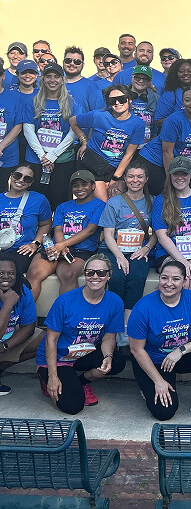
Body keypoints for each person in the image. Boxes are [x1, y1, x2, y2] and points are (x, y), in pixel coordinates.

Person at [128, 258, 191, 421]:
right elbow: (136, 349)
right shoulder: (143, 307)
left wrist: (181, 350)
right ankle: (148, 388)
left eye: (176, 279)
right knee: (164, 413)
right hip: (153, 361)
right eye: (164, 278)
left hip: (179, 357)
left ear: (185, 282)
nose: (168, 283)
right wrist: (158, 381)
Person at [35, 253, 126, 413]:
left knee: (117, 362)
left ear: (109, 276)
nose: (95, 277)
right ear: (85, 274)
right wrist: (52, 377)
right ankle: (46, 378)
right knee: (73, 406)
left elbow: (109, 337)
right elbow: (51, 340)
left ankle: (81, 381)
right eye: (90, 272)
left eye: (101, 273)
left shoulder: (115, 301)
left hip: (83, 353)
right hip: (58, 357)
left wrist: (107, 358)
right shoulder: (65, 301)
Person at [26, 170, 105, 301]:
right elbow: (57, 229)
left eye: (84, 184)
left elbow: (90, 230)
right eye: (75, 185)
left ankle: (67, 318)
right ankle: (25, 318)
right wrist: (60, 247)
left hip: (82, 250)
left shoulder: (100, 205)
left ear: (93, 186)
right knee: (34, 273)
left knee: (68, 274)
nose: (79, 188)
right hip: (57, 247)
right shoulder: (63, 206)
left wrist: (62, 245)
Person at [100, 160, 155, 346]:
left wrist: (146, 248)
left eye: (140, 176)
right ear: (125, 179)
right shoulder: (114, 203)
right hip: (115, 250)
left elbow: (158, 233)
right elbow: (108, 234)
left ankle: (126, 327)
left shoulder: (153, 202)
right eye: (131, 176)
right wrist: (119, 256)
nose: (135, 180)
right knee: (115, 278)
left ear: (146, 179)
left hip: (140, 251)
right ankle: (114, 326)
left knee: (136, 277)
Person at [151, 156, 191, 296]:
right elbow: (162, 236)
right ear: (170, 175)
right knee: (181, 280)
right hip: (169, 253)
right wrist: (181, 260)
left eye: (184, 174)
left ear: (190, 175)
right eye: (176, 174)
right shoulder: (161, 200)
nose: (180, 178)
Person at [71, 84, 146, 202]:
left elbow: (129, 154)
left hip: (117, 168)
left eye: (121, 99)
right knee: (104, 203)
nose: (117, 103)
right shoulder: (99, 115)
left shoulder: (138, 124)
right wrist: (84, 141)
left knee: (115, 202)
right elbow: (73, 121)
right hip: (94, 164)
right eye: (112, 100)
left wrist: (115, 179)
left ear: (129, 99)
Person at [22, 62, 78, 210]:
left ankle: (56, 232)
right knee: (36, 199)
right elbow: (28, 130)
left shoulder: (71, 103)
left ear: (62, 79)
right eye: (48, 76)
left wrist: (53, 155)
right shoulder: (33, 101)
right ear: (42, 79)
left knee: (59, 199)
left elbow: (74, 132)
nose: (52, 80)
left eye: (56, 76)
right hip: (36, 159)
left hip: (62, 160)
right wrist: (43, 156)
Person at [139, 86, 191, 196]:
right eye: (187, 100)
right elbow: (167, 152)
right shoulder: (173, 120)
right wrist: (170, 179)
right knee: (165, 195)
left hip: (181, 164)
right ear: (182, 101)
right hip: (154, 161)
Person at [0, 251, 41, 395]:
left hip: (4, 342)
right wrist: (7, 304)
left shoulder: (22, 290)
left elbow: (29, 327)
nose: (6, 277)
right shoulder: (10, 298)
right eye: (1, 273)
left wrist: (5, 346)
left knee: (45, 340)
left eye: (11, 273)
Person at [0, 165, 52, 276]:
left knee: (10, 272)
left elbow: (46, 224)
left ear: (30, 183)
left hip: (22, 250)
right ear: (11, 176)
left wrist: (35, 244)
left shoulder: (39, 199)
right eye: (18, 175)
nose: (21, 180)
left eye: (27, 179)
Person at [155, 59, 191, 127]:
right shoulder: (170, 94)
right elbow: (158, 121)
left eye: (190, 71)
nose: (186, 73)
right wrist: (182, 120)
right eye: (181, 71)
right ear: (176, 74)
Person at [0, 60, 23, 190]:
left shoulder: (14, 97)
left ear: (3, 76)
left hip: (8, 155)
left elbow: (18, 125)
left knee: (4, 192)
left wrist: (1, 146)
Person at [62, 47, 104, 113]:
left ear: (83, 65)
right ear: (63, 62)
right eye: (68, 60)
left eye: (77, 62)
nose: (72, 64)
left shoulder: (91, 87)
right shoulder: (54, 85)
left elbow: (98, 114)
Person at [128, 66, 159, 146]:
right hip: (126, 143)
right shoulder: (122, 95)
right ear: (132, 77)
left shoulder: (156, 99)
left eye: (145, 79)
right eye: (137, 78)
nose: (141, 81)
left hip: (146, 145)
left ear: (150, 81)